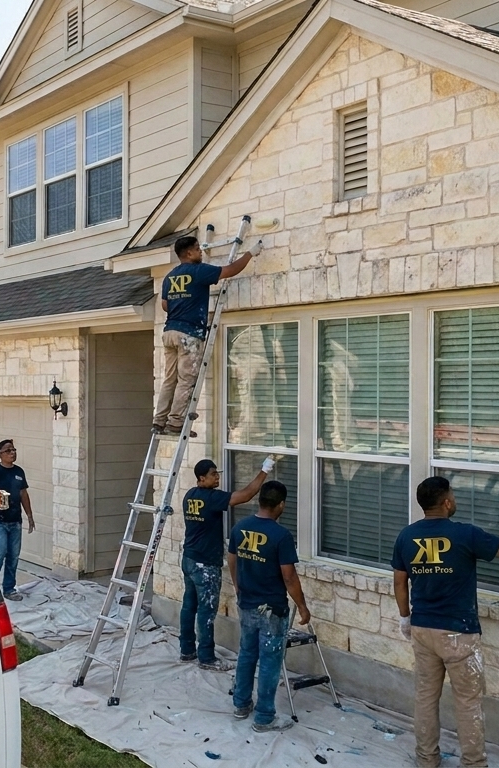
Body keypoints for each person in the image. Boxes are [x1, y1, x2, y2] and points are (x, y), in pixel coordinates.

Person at [391, 476, 499, 768]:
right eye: (452, 495)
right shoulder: (465, 535)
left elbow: (400, 582)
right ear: (447, 502)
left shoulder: (406, 536)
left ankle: (427, 760)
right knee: (467, 702)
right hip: (458, 633)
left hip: (423, 628)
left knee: (426, 698)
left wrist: (405, 617)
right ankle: (474, 764)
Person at [153, 234, 259, 436]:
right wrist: (249, 254)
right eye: (198, 249)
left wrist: (182, 302)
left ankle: (159, 421)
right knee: (186, 380)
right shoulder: (198, 271)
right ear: (189, 253)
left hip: (169, 333)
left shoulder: (170, 276)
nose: (201, 252)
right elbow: (230, 270)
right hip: (189, 334)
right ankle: (176, 423)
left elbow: (165, 305)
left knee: (169, 379)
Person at [227, 480, 309, 732]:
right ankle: (264, 717)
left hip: (248, 603)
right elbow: (289, 577)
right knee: (271, 661)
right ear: (281, 504)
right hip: (272, 609)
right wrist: (303, 607)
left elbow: (232, 560)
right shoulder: (280, 535)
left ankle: (241, 705)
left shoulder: (240, 527)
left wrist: (239, 587)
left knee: (247, 653)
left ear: (260, 500)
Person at [179, 456, 275, 671]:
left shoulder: (190, 495)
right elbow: (246, 495)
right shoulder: (210, 497)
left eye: (217, 473)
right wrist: (265, 469)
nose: (217, 478)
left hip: (189, 559)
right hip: (205, 563)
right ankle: (206, 657)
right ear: (201, 478)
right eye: (213, 475)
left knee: (189, 605)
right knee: (206, 610)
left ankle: (186, 650)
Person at [0, 439, 35, 601]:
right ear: (0, 454)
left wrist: (29, 515)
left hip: (15, 522)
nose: (12, 453)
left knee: (13, 557)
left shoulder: (19, 472)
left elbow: (23, 494)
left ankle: (9, 589)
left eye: (14, 450)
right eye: (8, 450)